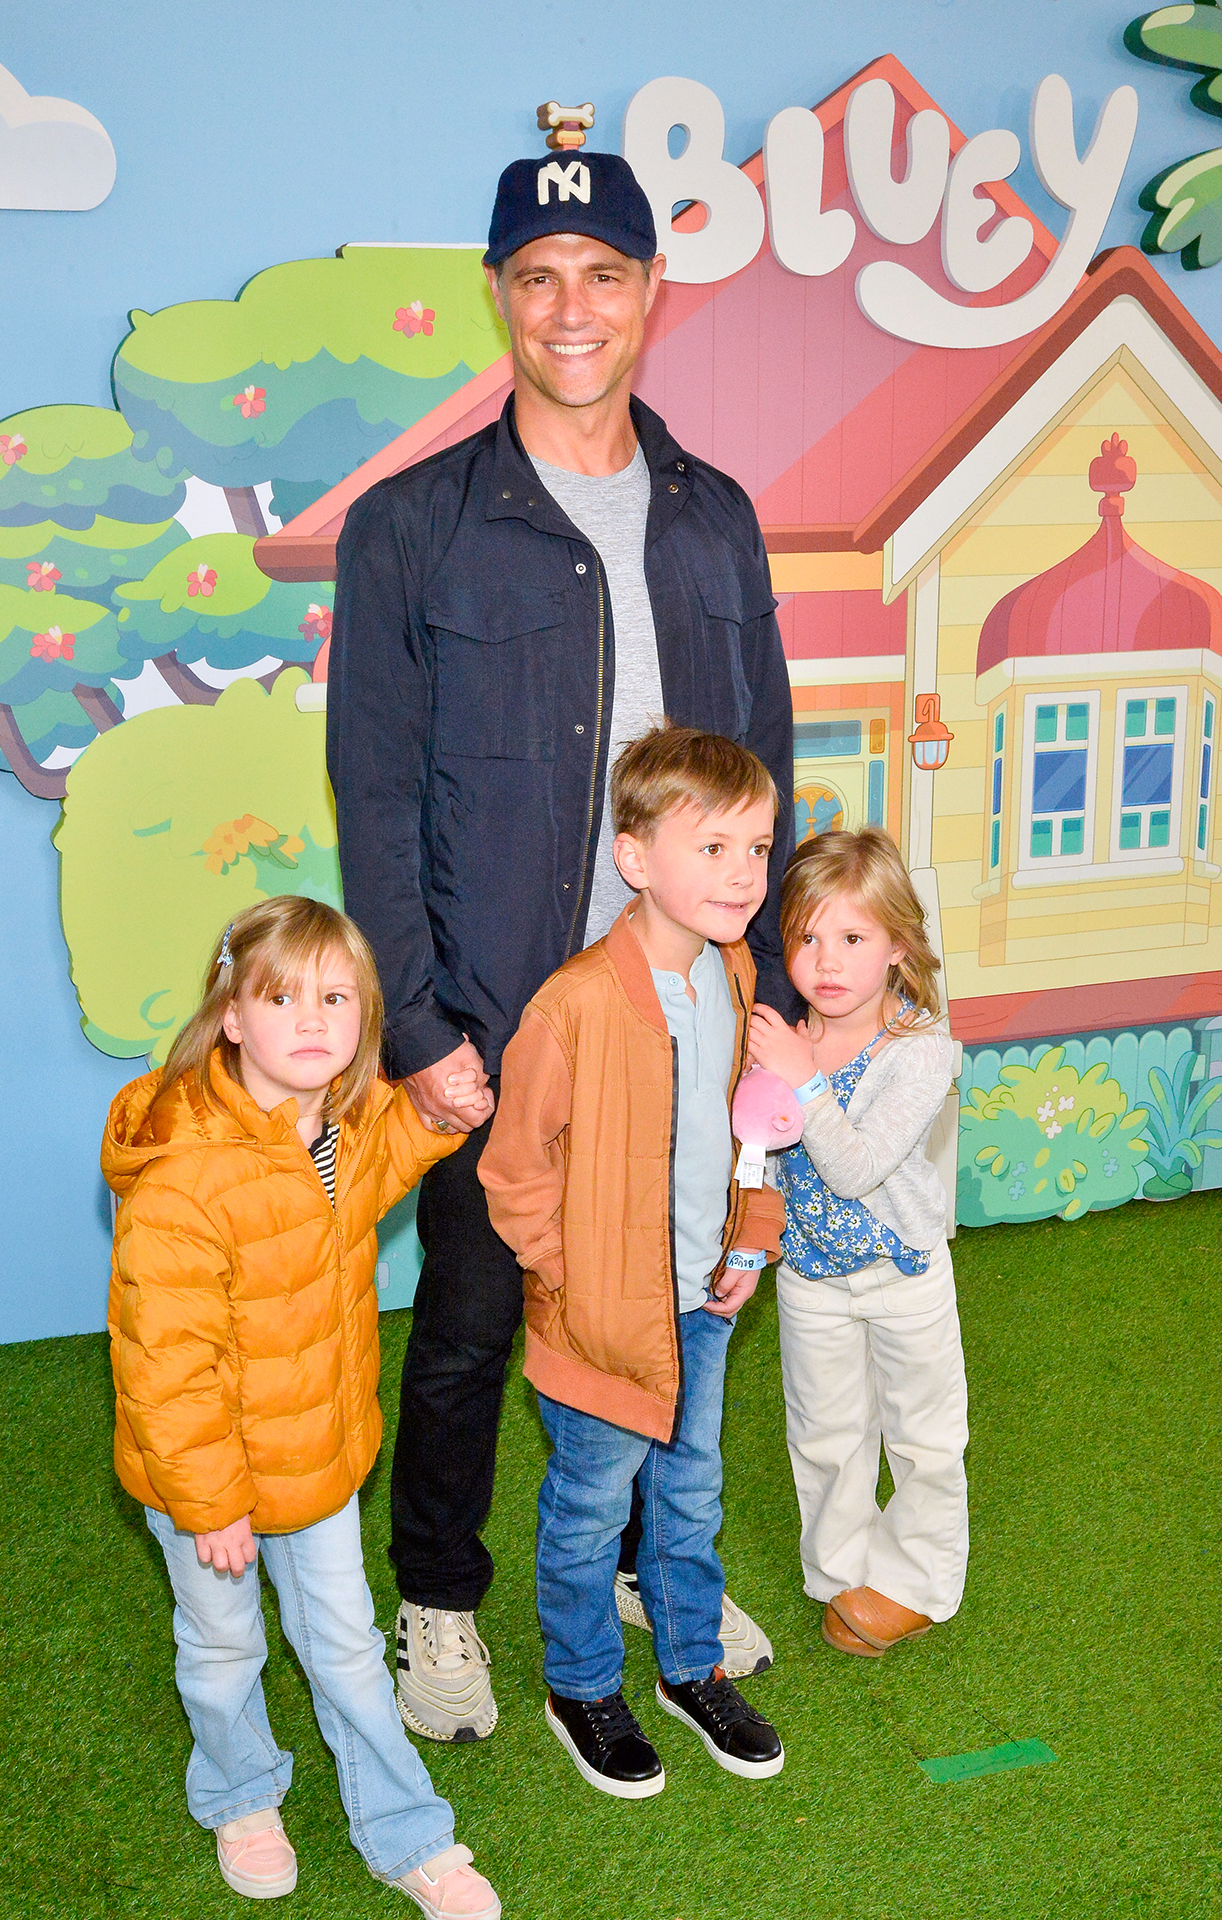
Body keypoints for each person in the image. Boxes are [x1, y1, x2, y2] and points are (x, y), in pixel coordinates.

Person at [327, 146, 796, 1741]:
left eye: (602, 273)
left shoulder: (716, 516)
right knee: (470, 1326)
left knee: (674, 1300)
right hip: (505, 1021)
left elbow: (766, 765)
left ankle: (647, 1575)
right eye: (538, 276)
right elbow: (376, 792)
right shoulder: (414, 524)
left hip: (691, 1014)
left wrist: (766, 988)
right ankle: (439, 1601)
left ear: (651, 292)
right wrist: (421, 1030)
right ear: (500, 296)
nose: (570, 306)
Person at [100, 896, 502, 1920]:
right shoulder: (186, 1172)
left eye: (336, 997)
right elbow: (165, 1364)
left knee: (348, 1649)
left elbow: (369, 1174)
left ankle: (407, 1832)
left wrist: (434, 1117)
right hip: (209, 1483)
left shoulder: (333, 1124)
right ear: (231, 1016)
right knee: (222, 1647)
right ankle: (240, 1793)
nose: (313, 1019)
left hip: (314, 1455)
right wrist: (210, 1501)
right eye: (282, 998)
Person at [478, 725, 787, 1795]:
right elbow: (514, 1168)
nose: (742, 874)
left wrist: (751, 1235)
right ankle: (581, 1686)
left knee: (689, 1498)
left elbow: (752, 1124)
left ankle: (691, 1667)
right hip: (600, 1322)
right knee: (589, 1508)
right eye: (713, 848)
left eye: (757, 848)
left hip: (703, 1301)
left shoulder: (736, 972)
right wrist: (564, 1280)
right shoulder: (571, 1004)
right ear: (634, 856)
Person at [746, 828, 968, 1657]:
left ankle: (920, 1582)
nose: (826, 962)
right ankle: (839, 1572)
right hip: (810, 1280)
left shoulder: (920, 1051)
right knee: (824, 1436)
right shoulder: (780, 1041)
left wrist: (800, 1077)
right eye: (806, 938)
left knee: (924, 1438)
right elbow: (757, 1155)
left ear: (898, 947)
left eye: (851, 938)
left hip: (903, 1275)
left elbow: (855, 1168)